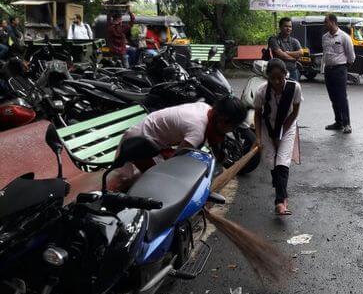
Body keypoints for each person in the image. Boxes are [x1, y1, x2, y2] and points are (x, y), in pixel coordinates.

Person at [112, 96, 247, 189]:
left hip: (150, 136)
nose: (232, 130)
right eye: (233, 126)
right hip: (140, 142)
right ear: (223, 119)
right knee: (162, 179)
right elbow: (174, 161)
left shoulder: (206, 108)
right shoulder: (197, 130)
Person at [253, 59, 303, 215]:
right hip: (267, 127)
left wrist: (280, 134)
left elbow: (295, 112)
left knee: (282, 161)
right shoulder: (262, 91)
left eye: (279, 78)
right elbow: (257, 115)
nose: (276, 82)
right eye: (272, 78)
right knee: (271, 161)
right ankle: (282, 192)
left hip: (287, 124)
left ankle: (280, 202)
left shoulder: (294, 88)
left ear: (285, 75)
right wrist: (259, 138)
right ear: (267, 77)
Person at [322, 14, 355, 134]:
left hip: (340, 69)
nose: (325, 24)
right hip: (328, 70)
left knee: (342, 97)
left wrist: (344, 67)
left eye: (326, 22)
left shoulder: (344, 37)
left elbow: (351, 56)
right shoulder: (325, 37)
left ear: (333, 22)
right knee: (333, 97)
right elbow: (325, 54)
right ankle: (338, 122)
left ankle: (347, 124)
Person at [269, 17, 303, 81]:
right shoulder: (274, 40)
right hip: (278, 72)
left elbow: (301, 52)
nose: (288, 29)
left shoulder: (294, 41)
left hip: (293, 71)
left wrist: (288, 53)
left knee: (293, 89)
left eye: (290, 27)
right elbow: (281, 55)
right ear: (280, 27)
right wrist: (295, 59)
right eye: (286, 26)